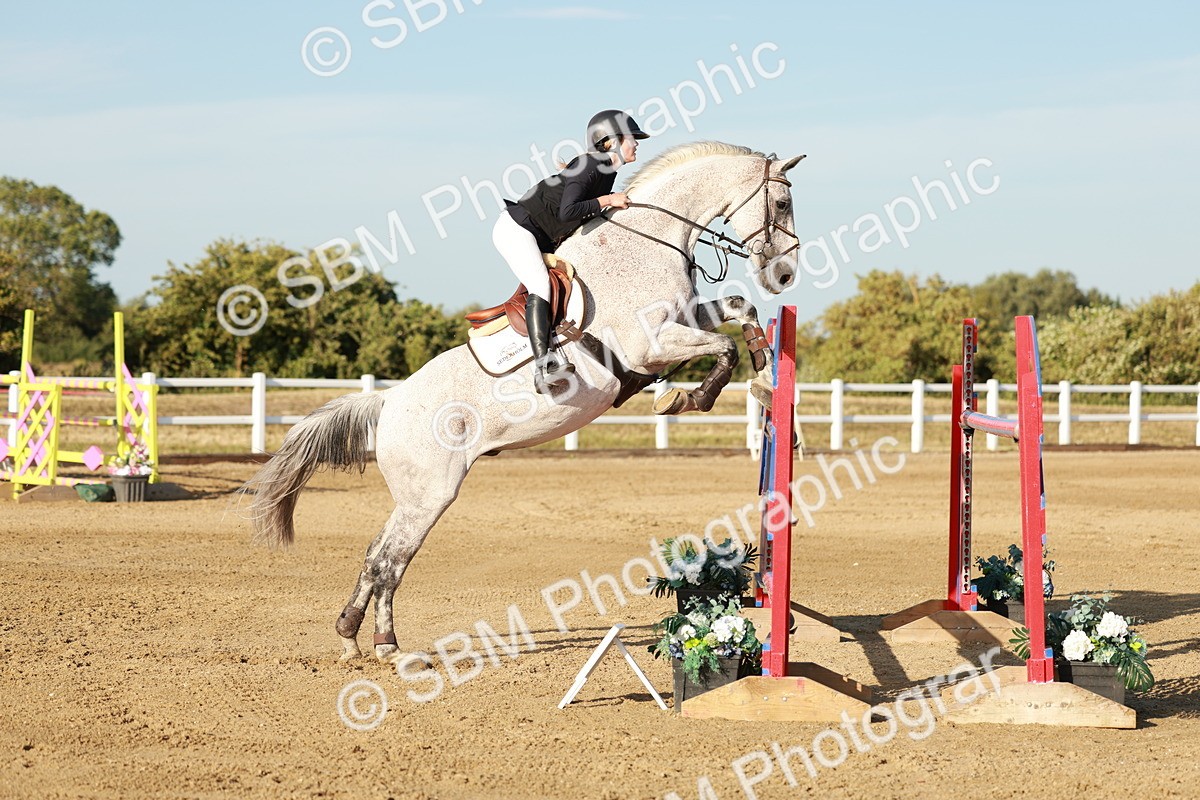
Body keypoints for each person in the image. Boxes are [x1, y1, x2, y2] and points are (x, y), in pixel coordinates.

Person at [493, 109, 650, 394]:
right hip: (517, 229)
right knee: (540, 285)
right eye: (633, 138)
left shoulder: (604, 171)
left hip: (540, 234)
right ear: (612, 140)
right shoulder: (592, 164)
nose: (637, 143)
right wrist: (608, 200)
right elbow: (568, 212)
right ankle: (544, 366)